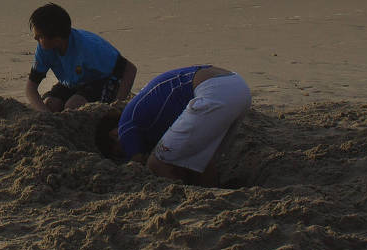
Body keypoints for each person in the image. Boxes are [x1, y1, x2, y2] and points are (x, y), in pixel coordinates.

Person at [99, 65, 252, 185]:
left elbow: (138, 167)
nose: (125, 152)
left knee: (156, 163)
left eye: (119, 152)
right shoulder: (145, 112)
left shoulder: (125, 126)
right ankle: (212, 194)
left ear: (114, 134)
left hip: (213, 91)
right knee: (200, 157)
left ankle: (181, 204)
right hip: (237, 85)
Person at [23, 3, 137, 112]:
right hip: (73, 82)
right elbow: (30, 89)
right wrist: (45, 114)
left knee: (73, 106)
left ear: (57, 39)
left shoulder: (90, 48)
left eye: (39, 37)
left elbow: (130, 69)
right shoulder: (44, 49)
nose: (35, 39)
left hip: (102, 80)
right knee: (50, 104)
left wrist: (118, 104)